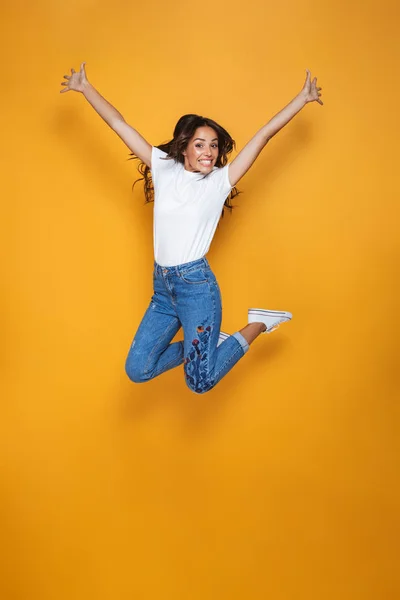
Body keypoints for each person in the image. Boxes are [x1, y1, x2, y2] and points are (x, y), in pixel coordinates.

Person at [60, 64, 323, 394]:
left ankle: (259, 323)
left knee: (201, 382)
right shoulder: (164, 168)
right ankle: (212, 340)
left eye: (214, 145)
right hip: (163, 289)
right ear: (184, 146)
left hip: (196, 288)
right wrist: (86, 89)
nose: (208, 152)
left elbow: (264, 135)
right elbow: (118, 124)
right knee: (138, 369)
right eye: (200, 144)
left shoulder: (218, 183)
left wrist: (302, 99)